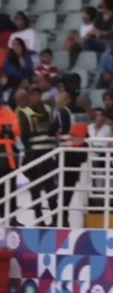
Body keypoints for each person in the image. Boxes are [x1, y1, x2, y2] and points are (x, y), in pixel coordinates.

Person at [17, 86, 58, 226]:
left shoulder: (48, 109)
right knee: (35, 189)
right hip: (34, 154)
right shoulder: (24, 113)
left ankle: (55, 218)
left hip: (48, 153)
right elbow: (25, 135)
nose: (37, 98)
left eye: (38, 94)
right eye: (34, 95)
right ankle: (39, 218)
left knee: (50, 187)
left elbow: (54, 128)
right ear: (29, 97)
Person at [52, 88, 88, 227]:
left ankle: (61, 217)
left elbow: (53, 129)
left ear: (66, 96)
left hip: (66, 153)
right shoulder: (82, 112)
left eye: (60, 93)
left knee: (60, 186)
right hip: (79, 154)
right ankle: (64, 215)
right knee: (70, 187)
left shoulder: (63, 112)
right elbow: (85, 131)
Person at [0, 99, 21, 225]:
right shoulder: (9, 113)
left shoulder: (9, 113)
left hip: (10, 157)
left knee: (12, 189)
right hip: (7, 155)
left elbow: (17, 130)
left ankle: (12, 218)